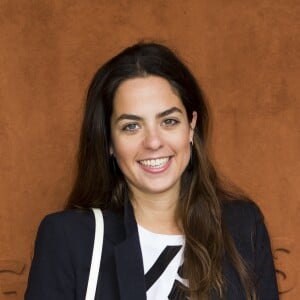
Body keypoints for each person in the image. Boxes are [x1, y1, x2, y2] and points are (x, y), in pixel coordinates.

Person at [25, 42, 279, 300]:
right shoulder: (69, 239)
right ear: (109, 142)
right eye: (131, 126)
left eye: (169, 121)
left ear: (191, 126)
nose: (153, 142)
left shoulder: (243, 227)